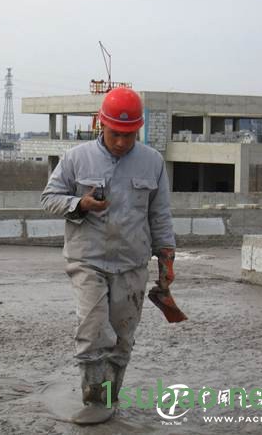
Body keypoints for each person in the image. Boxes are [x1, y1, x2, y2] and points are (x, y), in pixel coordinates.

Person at [40, 87, 176, 424]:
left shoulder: (152, 162)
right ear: (102, 124)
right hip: (88, 260)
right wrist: (80, 204)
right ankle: (93, 398)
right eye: (116, 134)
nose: (121, 142)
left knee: (122, 336)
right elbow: (49, 197)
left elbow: (160, 216)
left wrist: (166, 259)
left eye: (129, 135)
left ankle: (110, 399)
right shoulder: (75, 158)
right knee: (92, 331)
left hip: (131, 264)